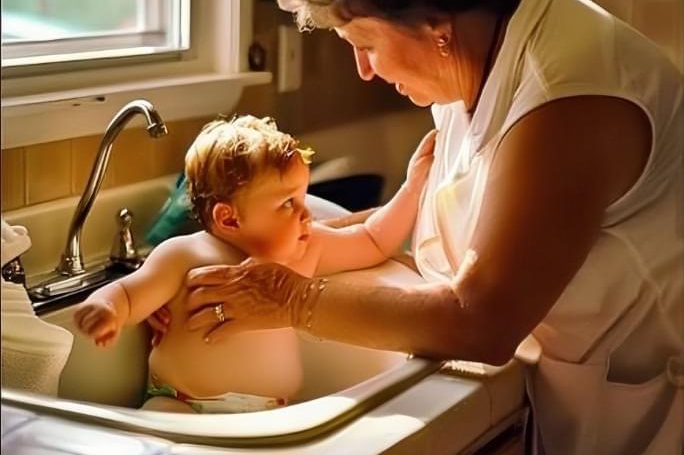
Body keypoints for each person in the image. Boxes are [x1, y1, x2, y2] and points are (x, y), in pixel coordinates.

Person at [179, 0, 684, 455]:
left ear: (433, 24)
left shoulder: (570, 98)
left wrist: (292, 299)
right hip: (588, 435)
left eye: (364, 43)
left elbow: (481, 320)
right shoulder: (482, 45)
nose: (364, 69)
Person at [74, 114, 435, 414]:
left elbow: (373, 239)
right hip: (183, 406)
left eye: (302, 196)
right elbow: (128, 293)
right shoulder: (185, 255)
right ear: (229, 220)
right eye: (288, 203)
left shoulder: (306, 250)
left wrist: (413, 186)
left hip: (269, 413)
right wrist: (106, 310)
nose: (306, 213)